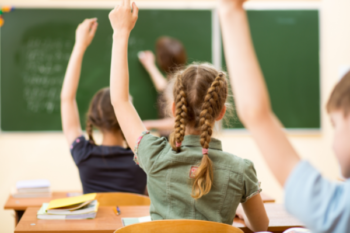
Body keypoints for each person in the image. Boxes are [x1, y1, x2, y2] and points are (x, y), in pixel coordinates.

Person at [108, 1, 269, 231]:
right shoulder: (241, 170)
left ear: (174, 110)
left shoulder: (153, 155)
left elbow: (120, 101)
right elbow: (261, 226)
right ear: (221, 111)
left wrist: (120, 33)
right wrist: (239, 208)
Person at [219, 0, 350, 231]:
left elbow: (256, 113)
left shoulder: (341, 207)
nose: (332, 142)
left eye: (336, 124)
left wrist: (230, 10)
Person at [60, 18, 147, 194]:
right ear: (126, 116)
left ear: (95, 119)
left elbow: (66, 99)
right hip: (133, 223)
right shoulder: (144, 157)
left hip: (94, 222)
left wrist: (80, 46)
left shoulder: (83, 154)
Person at [138, 37, 187, 137]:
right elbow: (163, 88)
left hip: (173, 141)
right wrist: (150, 66)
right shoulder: (180, 79)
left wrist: (149, 124)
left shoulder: (175, 86)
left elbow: (178, 121)